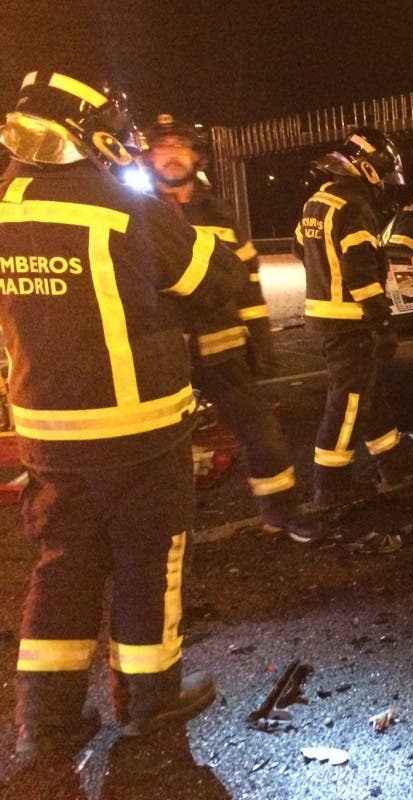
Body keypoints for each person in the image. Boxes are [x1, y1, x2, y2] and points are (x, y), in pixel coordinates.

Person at [0, 71, 243, 760]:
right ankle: (148, 701)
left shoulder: (3, 203)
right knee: (147, 559)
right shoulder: (120, 205)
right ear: (90, 128)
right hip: (135, 428)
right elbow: (214, 281)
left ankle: (45, 720)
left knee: (60, 564)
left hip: (45, 432)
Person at [144, 114, 313, 541]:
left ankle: (282, 511)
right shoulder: (133, 212)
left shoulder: (220, 214)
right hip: (159, 353)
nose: (172, 155)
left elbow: (249, 281)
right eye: (163, 147)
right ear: (149, 156)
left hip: (223, 348)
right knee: (153, 450)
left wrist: (260, 339)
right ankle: (156, 536)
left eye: (180, 146)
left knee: (263, 432)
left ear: (195, 155)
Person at [296, 127, 407, 508]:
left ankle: (393, 468)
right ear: (368, 168)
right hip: (351, 321)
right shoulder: (355, 206)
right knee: (347, 405)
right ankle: (330, 488)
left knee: (369, 397)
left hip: (326, 317)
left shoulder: (318, 200)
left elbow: (300, 248)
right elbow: (361, 271)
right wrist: (381, 320)